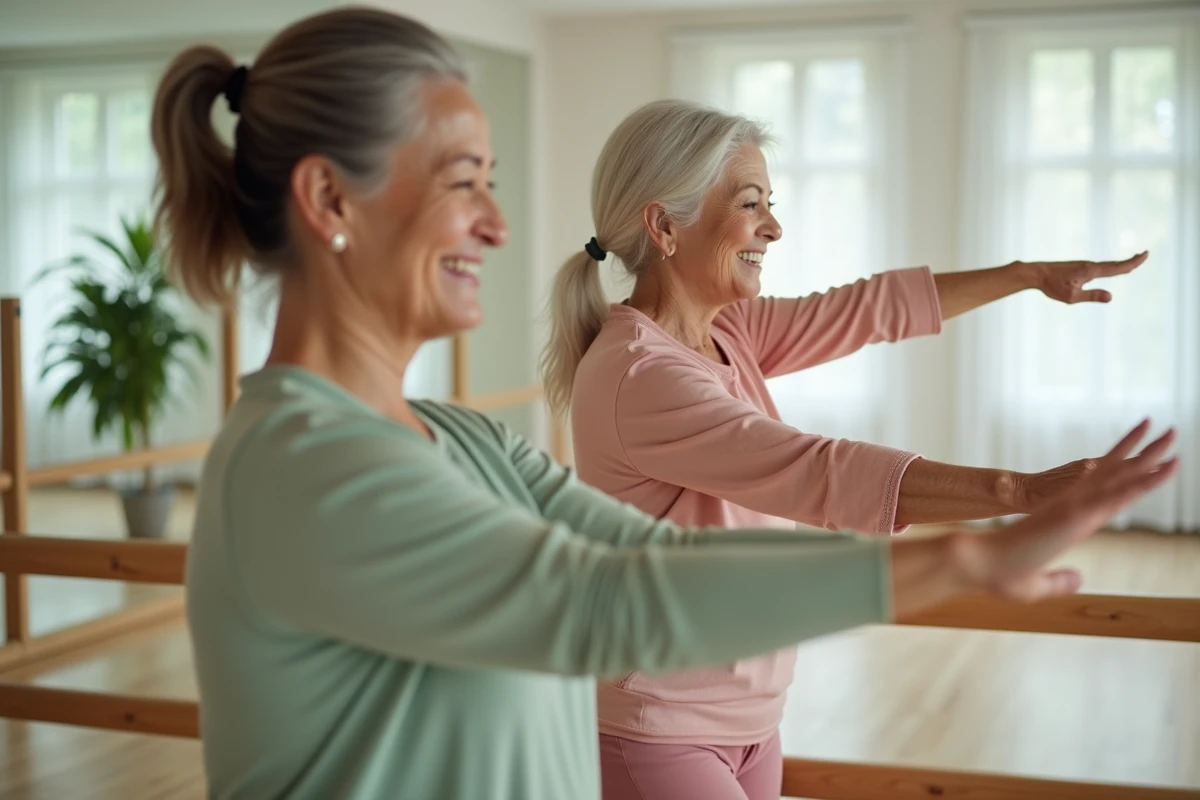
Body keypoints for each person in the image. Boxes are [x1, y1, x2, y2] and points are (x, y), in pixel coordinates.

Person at [152, 10, 1176, 800]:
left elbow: (653, 567)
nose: (501, 226)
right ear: (331, 201)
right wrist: (973, 540)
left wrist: (1024, 276)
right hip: (666, 727)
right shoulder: (309, 468)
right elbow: (605, 602)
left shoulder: (459, 437)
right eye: (465, 182)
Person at [540, 99, 1156, 800]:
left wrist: (1025, 274)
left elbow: (867, 310)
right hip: (661, 726)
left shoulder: (726, 331)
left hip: (750, 718)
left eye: (771, 203)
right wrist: (1018, 493)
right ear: (664, 224)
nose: (773, 227)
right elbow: (814, 471)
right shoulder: (641, 376)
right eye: (751, 204)